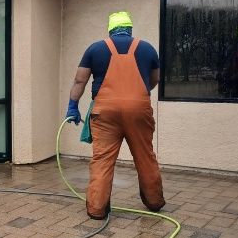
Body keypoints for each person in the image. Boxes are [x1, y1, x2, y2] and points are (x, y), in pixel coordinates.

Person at [66, 11, 165, 219]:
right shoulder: (147, 48)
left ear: (110, 30)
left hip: (105, 112)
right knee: (145, 156)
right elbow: (154, 80)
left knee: (102, 159)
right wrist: (136, 95)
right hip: (139, 111)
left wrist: (72, 106)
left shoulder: (95, 48)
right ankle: (154, 202)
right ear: (129, 29)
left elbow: (79, 81)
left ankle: (97, 209)